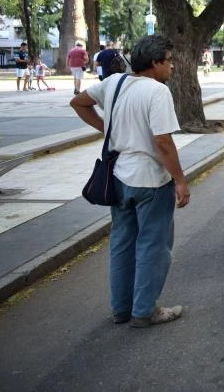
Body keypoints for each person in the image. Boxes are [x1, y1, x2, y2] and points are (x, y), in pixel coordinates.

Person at [69, 34, 190, 328]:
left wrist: (107, 128)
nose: (172, 67)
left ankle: (121, 308)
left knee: (122, 243)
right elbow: (163, 141)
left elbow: (78, 102)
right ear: (154, 63)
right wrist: (180, 180)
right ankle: (145, 310)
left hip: (119, 176)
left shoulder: (114, 82)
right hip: (150, 179)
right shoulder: (157, 91)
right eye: (169, 61)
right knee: (153, 244)